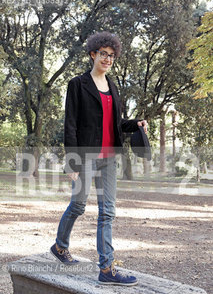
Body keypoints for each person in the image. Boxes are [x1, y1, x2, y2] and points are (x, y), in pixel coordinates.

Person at [50, 31, 148, 286]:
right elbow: (70, 125)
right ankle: (60, 247)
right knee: (79, 205)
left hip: (108, 158)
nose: (107, 59)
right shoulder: (78, 84)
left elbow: (115, 123)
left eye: (111, 55)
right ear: (93, 54)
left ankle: (106, 269)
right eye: (103, 53)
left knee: (107, 212)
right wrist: (71, 161)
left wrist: (134, 124)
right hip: (85, 156)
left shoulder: (113, 86)